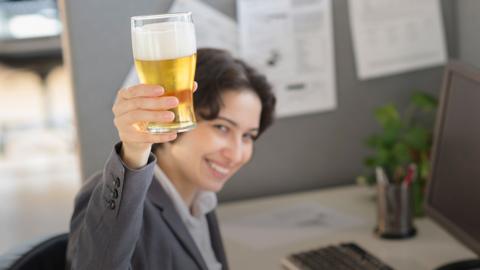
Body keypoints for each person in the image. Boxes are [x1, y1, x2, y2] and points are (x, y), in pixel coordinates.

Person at [66, 48, 276, 270]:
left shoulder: (201, 197)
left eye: (247, 136)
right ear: (176, 115)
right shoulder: (113, 197)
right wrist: (134, 150)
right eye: (221, 127)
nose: (236, 154)